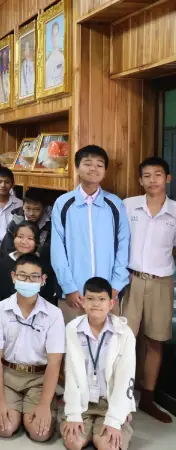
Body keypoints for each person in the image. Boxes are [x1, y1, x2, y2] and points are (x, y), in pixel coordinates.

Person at [0, 253, 64, 441]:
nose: (28, 281)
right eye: (22, 276)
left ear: (43, 280)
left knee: (39, 434)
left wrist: (44, 405)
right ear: (13, 277)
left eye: (34, 277)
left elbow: (54, 363)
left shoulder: (54, 314)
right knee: (4, 429)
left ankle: (33, 410)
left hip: (38, 379)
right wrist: (0, 402)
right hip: (7, 376)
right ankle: (12, 408)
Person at [122, 156, 176, 423]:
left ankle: (148, 398)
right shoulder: (128, 205)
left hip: (161, 282)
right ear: (140, 180)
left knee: (155, 340)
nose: (152, 180)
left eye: (157, 174)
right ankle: (120, 396)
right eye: (146, 175)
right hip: (130, 280)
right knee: (123, 339)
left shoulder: (175, 211)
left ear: (168, 178)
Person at [51, 145, 129, 323]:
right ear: (77, 168)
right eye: (87, 164)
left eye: (99, 165)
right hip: (75, 294)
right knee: (72, 338)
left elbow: (123, 246)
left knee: (108, 338)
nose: (93, 168)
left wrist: (115, 287)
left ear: (105, 171)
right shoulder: (63, 203)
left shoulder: (115, 204)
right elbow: (57, 250)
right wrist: (69, 287)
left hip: (108, 294)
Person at [61, 277, 136, 450]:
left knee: (107, 447)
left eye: (102, 299)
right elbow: (71, 373)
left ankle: (117, 423)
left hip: (109, 403)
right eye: (90, 299)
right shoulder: (72, 329)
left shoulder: (124, 333)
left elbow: (126, 378)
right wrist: (73, 413)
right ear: (83, 302)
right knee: (73, 443)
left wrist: (114, 420)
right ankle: (87, 426)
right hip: (83, 402)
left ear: (111, 303)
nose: (95, 304)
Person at [0, 222, 54, 305]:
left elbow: (48, 295)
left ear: (37, 241)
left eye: (30, 238)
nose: (24, 242)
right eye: (20, 237)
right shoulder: (0, 265)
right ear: (14, 237)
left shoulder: (44, 266)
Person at [0, 192, 52, 259]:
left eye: (36, 209)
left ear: (44, 209)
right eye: (28, 208)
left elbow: (48, 249)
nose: (31, 213)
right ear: (23, 206)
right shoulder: (15, 223)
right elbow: (7, 249)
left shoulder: (49, 225)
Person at [46, 21, 65, 89]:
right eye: (53, 35)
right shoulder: (47, 60)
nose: (54, 38)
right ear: (51, 37)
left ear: (58, 36)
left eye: (56, 34)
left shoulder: (62, 58)